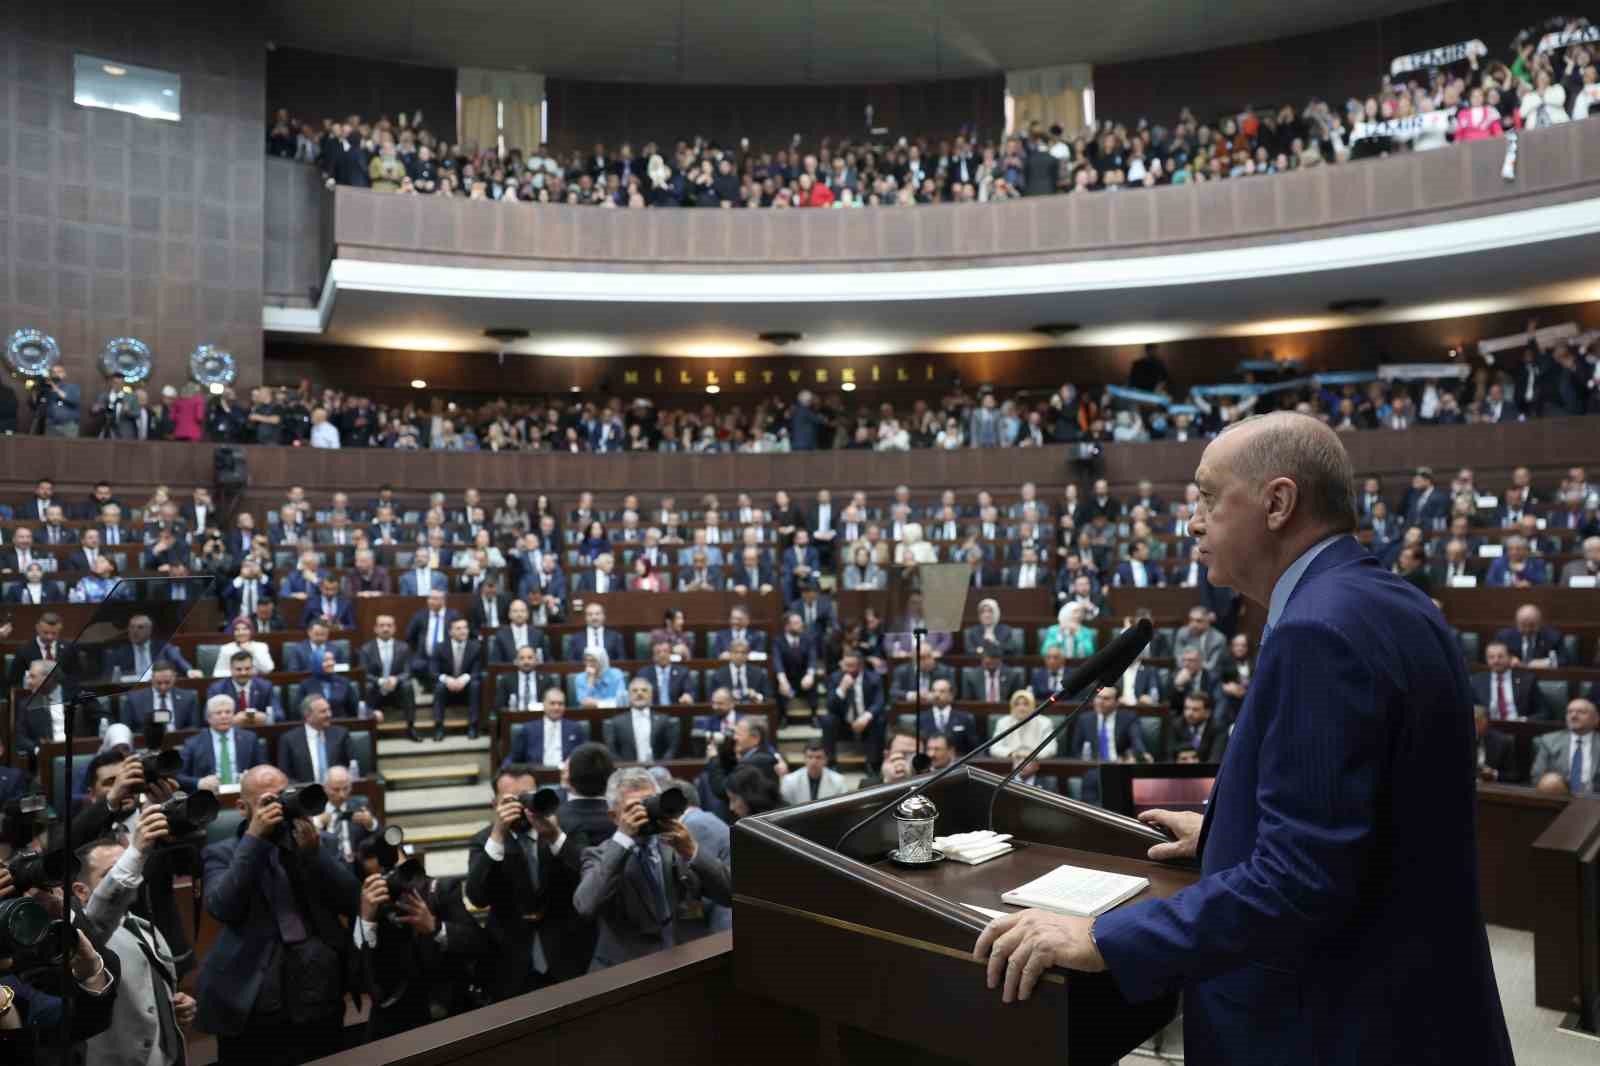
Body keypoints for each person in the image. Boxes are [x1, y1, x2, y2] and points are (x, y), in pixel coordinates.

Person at [975, 412, 1513, 1066]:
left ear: (1278, 503)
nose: (1193, 521)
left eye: (1206, 498)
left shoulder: (1319, 633)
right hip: (1416, 1008)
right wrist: (1228, 829)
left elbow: (1300, 883)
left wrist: (1104, 936)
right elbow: (1374, 816)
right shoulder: (1394, 603)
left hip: (1336, 1026)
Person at [195, 765, 361, 1066]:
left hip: (317, 990)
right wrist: (255, 839)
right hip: (253, 996)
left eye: (283, 797)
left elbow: (352, 902)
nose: (279, 807)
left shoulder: (317, 843)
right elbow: (223, 907)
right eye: (267, 802)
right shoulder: (222, 852)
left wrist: (315, 855)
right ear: (242, 808)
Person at [572, 767, 733, 970]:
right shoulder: (599, 855)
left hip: (687, 963)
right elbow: (586, 906)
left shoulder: (677, 844)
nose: (646, 814)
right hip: (631, 972)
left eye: (649, 803)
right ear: (614, 816)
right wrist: (623, 840)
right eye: (634, 809)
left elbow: (729, 894)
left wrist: (692, 851)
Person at [464, 763, 585, 995]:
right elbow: (477, 897)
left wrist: (555, 838)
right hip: (509, 959)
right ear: (495, 804)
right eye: (511, 801)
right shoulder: (484, 841)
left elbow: (588, 877)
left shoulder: (566, 828)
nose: (521, 807)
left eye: (527, 797)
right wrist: (498, 834)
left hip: (565, 953)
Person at [177, 695, 262, 792]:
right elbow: (178, 776)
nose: (224, 716)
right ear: (208, 718)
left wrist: (251, 776)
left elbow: (263, 767)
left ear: (234, 715)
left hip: (242, 793)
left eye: (228, 712)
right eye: (218, 713)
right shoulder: (193, 743)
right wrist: (199, 782)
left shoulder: (249, 739)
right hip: (209, 797)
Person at [358, 613, 417, 740]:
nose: (385, 629)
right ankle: (370, 728)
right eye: (382, 625)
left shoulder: (404, 647)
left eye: (389, 625)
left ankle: (411, 727)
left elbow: (408, 672)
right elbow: (364, 673)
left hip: (396, 690)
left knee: (408, 685)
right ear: (375, 629)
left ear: (394, 628)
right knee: (367, 686)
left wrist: (396, 679)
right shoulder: (366, 649)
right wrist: (379, 681)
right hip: (376, 690)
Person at [429, 616, 484, 740]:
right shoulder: (440, 647)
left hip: (466, 686)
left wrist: (464, 679)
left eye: (465, 628)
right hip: (447, 686)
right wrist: (447, 679)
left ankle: (473, 726)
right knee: (439, 687)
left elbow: (478, 670)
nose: (463, 631)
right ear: (450, 632)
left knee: (475, 684)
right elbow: (433, 671)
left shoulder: (475, 647)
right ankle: (439, 727)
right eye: (458, 628)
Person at [1529, 698, 1599, 793]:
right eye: (1570, 712)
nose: (1573, 716)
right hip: (1558, 798)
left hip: (1595, 799)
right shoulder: (1549, 741)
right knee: (1550, 780)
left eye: (1581, 712)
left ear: (1596, 719)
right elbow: (1537, 776)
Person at [602, 678, 680, 761]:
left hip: (658, 769)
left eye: (644, 690)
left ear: (651, 695)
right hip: (627, 770)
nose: (639, 693)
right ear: (629, 696)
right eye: (635, 691)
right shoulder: (616, 722)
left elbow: (672, 748)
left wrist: (662, 765)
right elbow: (612, 751)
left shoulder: (664, 720)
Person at [988, 688, 1058, 763]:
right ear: (1012, 707)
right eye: (1017, 704)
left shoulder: (1044, 722)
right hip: (1010, 765)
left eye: (1026, 704)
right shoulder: (1003, 722)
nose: (1021, 708)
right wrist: (1012, 753)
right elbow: (994, 748)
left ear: (1033, 706)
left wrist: (1031, 755)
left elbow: (1051, 748)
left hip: (1037, 766)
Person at [780, 740, 849, 804]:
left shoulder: (839, 780)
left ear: (825, 760)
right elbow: (785, 807)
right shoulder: (790, 780)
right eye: (810, 757)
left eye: (818, 757)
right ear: (804, 759)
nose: (813, 762)